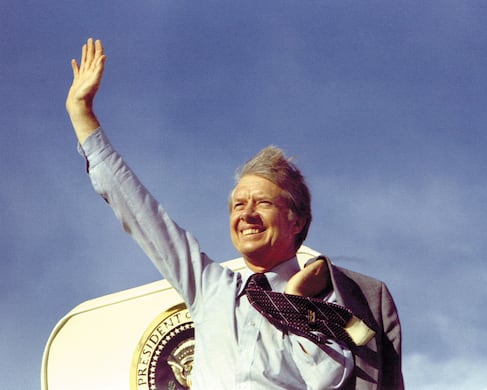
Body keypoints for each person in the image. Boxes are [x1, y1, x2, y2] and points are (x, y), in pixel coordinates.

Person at [66, 38, 404, 389]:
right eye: (239, 205)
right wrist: (83, 116)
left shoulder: (330, 298)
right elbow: (141, 213)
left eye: (264, 203)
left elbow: (327, 378)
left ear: (297, 219)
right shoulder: (211, 287)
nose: (247, 215)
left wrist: (297, 303)